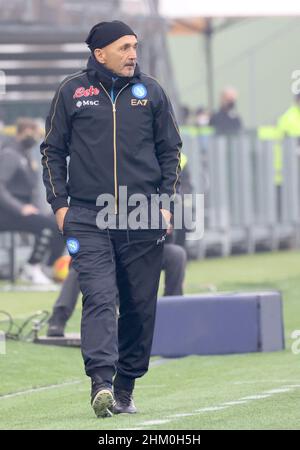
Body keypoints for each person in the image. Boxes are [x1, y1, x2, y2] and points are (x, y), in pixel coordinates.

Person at [40, 20, 182, 418]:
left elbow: (171, 150)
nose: (133, 54)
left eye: (135, 46)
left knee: (138, 306)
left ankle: (124, 386)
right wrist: (60, 205)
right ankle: (101, 382)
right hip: (86, 216)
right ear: (99, 53)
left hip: (142, 217)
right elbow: (52, 149)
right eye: (124, 47)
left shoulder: (152, 91)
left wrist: (166, 204)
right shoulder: (72, 92)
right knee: (100, 298)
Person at [47, 241, 187, 337]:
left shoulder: (157, 203)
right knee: (81, 261)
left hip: (140, 256)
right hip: (106, 255)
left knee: (176, 254)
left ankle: (172, 319)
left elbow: (166, 238)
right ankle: (58, 319)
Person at [0, 118, 65, 284]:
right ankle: (31, 266)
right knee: (47, 225)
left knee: (58, 222)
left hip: (23, 210)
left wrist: (39, 209)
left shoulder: (26, 155)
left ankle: (49, 267)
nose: (35, 137)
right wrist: (20, 208)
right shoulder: (10, 154)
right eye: (32, 133)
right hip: (7, 213)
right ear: (22, 132)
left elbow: (33, 189)